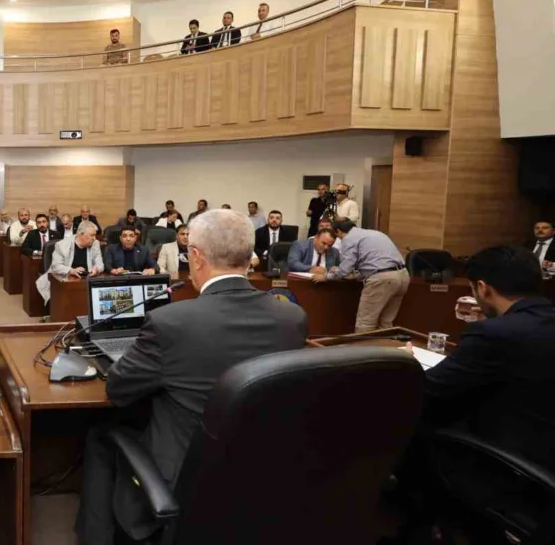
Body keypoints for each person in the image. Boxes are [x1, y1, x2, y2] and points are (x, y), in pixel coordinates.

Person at [76, 210, 307, 544]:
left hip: (186, 479)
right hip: (262, 474)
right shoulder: (292, 316)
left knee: (100, 436)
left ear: (195, 257)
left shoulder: (172, 322)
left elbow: (118, 389)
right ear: (250, 257)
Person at [421, 245, 555, 471]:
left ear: (482, 288)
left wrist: (405, 362)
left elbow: (428, 390)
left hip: (509, 464)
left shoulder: (493, 334)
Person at [314, 219, 408, 332]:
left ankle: (363, 350)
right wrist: (354, 274)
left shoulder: (349, 239)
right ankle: (385, 349)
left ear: (338, 231)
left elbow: (344, 270)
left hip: (382, 280)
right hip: (403, 276)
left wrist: (326, 277)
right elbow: (374, 261)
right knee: (385, 323)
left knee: (365, 324)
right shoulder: (375, 233)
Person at [36, 221, 103, 302]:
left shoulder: (95, 243)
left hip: (85, 281)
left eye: (95, 235)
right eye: (91, 235)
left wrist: (96, 269)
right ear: (81, 234)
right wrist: (71, 270)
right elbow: (56, 266)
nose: (94, 238)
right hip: (65, 281)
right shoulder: (62, 245)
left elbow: (100, 264)